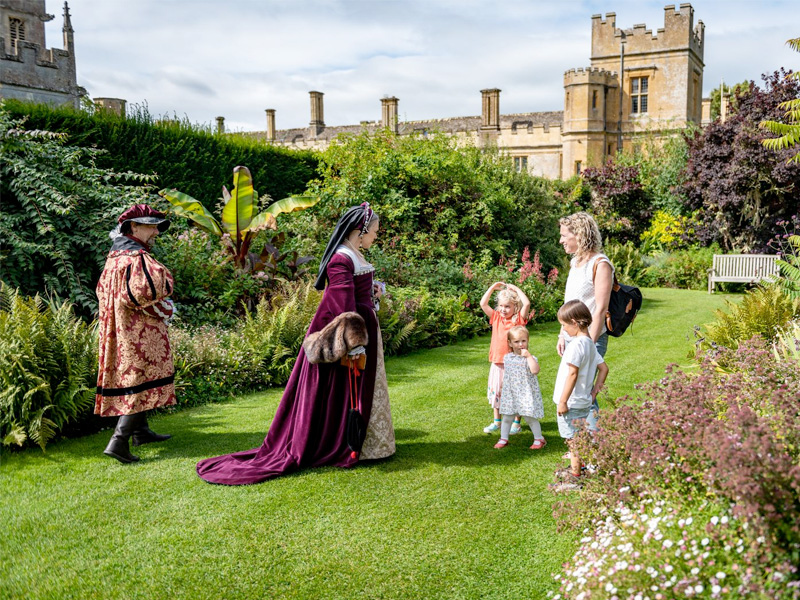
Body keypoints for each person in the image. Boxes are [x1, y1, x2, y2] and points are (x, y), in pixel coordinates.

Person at [197, 203, 395, 485]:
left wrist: (373, 290)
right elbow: (342, 307)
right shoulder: (341, 259)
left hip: (361, 330)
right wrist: (354, 344)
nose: (376, 236)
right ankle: (339, 443)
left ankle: (364, 444)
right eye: (374, 232)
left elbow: (355, 293)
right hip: (346, 336)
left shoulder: (354, 254)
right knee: (342, 390)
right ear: (359, 231)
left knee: (359, 387)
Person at [95, 204, 176, 464]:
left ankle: (141, 432)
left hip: (120, 329)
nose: (156, 231)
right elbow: (147, 291)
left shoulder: (114, 257)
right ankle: (118, 442)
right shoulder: (136, 259)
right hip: (136, 331)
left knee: (138, 377)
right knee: (138, 378)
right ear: (133, 227)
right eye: (150, 226)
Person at [557, 212, 613, 432]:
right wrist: (562, 334)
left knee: (583, 390)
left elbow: (600, 308)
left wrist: (589, 342)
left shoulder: (600, 264)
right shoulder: (575, 262)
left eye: (564, 235)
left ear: (579, 235)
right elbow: (570, 302)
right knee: (576, 390)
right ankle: (582, 445)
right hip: (573, 336)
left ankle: (591, 446)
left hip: (590, 337)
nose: (561, 240)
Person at [552, 300, 609, 491]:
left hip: (572, 402)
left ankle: (575, 477)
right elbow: (604, 369)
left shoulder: (576, 346)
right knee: (580, 436)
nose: (563, 329)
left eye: (564, 325)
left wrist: (563, 400)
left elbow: (573, 374)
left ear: (575, 322)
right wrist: (594, 392)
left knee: (573, 441)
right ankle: (581, 467)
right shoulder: (590, 344)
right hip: (584, 401)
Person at [479, 282, 531, 434]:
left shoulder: (518, 320)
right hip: (497, 362)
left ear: (515, 307)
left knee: (515, 392)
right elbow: (483, 303)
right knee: (497, 392)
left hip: (514, 363)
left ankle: (516, 423)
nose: (503, 309)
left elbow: (526, 303)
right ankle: (497, 421)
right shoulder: (496, 317)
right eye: (501, 306)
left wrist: (516, 289)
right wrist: (492, 288)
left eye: (507, 306)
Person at [493, 326, 545, 450]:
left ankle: (539, 439)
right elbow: (508, 374)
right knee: (507, 417)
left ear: (528, 341)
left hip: (525, 392)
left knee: (529, 417)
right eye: (516, 342)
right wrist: (502, 386)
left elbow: (535, 370)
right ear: (510, 343)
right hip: (511, 393)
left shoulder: (531, 358)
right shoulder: (508, 358)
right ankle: (504, 438)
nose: (520, 344)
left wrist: (528, 357)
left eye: (523, 341)